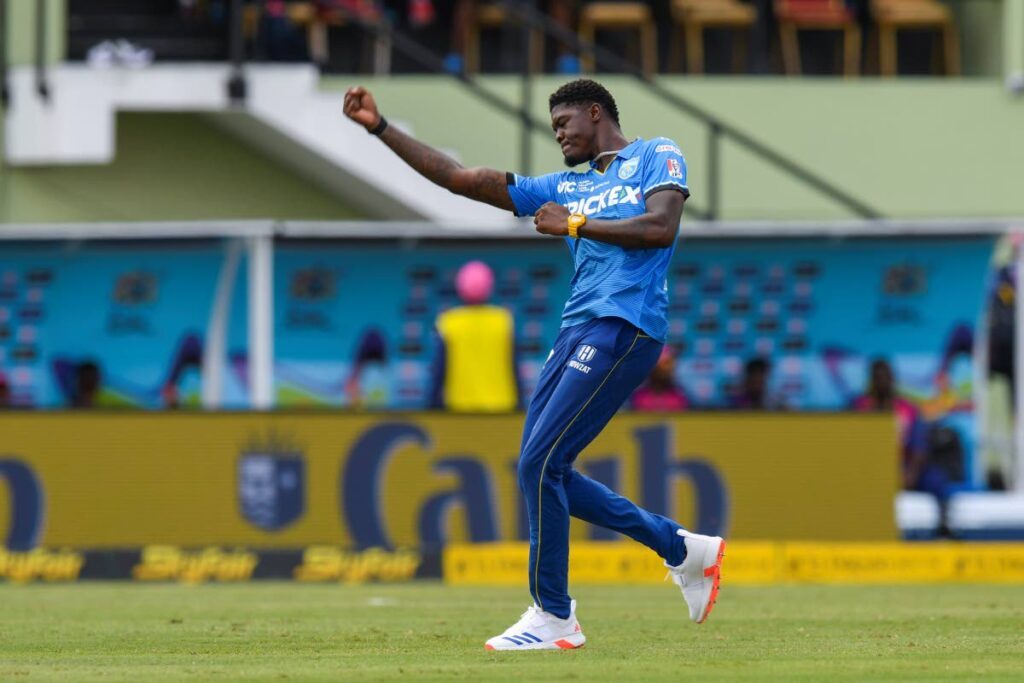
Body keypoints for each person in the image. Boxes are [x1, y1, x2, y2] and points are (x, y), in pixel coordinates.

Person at [343, 77, 725, 650]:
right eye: (553, 129)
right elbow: (458, 179)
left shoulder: (655, 154)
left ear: (595, 113)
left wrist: (574, 224)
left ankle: (553, 615)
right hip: (574, 332)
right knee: (545, 468)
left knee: (540, 463)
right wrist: (379, 127)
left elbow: (660, 227)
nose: (559, 136)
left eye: (564, 125)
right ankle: (682, 550)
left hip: (626, 325)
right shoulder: (562, 185)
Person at [428, 260, 520, 412]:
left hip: (459, 409)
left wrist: (432, 407)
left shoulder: (448, 322)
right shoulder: (504, 320)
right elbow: (515, 369)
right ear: (490, 286)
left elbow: (439, 371)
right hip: (502, 409)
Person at [631, 345, 689, 411]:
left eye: (666, 363)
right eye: (658, 365)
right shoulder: (639, 397)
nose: (663, 370)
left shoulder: (679, 396)